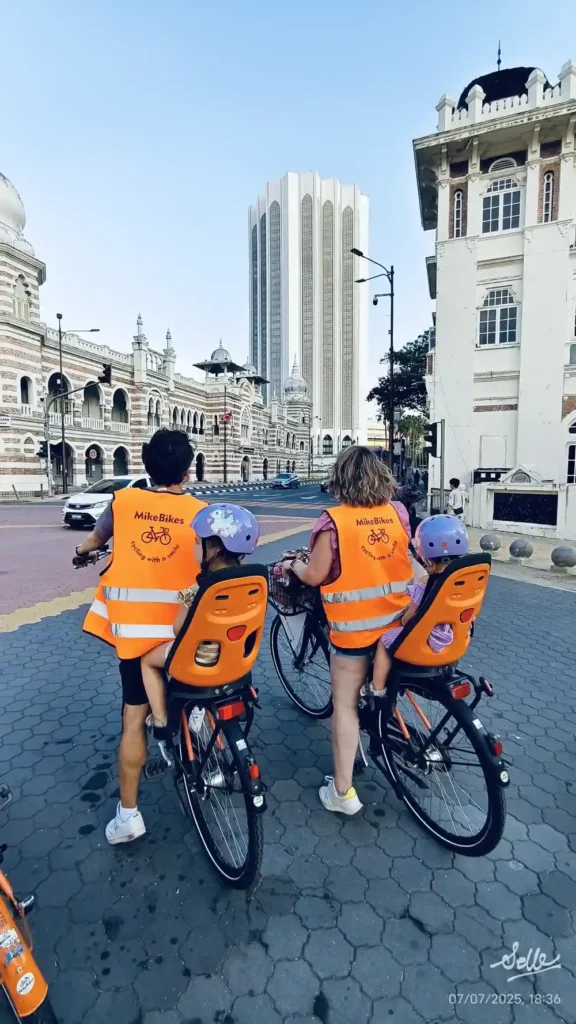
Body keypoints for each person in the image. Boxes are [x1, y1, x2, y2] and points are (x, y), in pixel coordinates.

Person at [77, 429, 207, 845]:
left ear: (147, 465)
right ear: (187, 472)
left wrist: (82, 553)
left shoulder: (125, 501)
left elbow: (96, 540)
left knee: (133, 719)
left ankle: (129, 816)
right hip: (186, 633)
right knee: (197, 693)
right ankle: (209, 762)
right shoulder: (202, 511)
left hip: (136, 638)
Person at [284, 446, 413, 816]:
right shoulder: (397, 512)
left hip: (357, 633)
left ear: (341, 478)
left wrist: (295, 566)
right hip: (401, 624)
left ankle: (342, 793)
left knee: (344, 706)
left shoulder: (333, 521)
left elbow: (315, 575)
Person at [140, 503, 260, 754]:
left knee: (147, 660)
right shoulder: (251, 582)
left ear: (213, 548)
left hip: (200, 660)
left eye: (197, 542)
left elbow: (177, 629)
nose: (194, 548)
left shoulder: (200, 591)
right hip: (236, 659)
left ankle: (161, 721)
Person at [371, 515, 468, 696]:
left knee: (384, 641)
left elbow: (409, 619)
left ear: (428, 560)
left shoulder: (425, 585)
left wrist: (401, 617)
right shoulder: (466, 582)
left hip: (426, 641)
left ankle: (376, 689)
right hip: (455, 638)